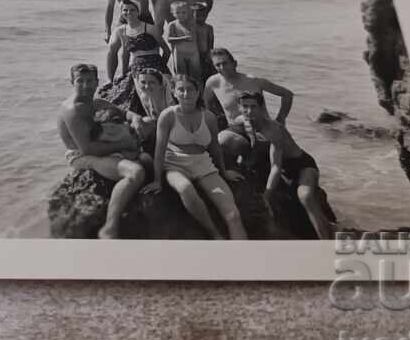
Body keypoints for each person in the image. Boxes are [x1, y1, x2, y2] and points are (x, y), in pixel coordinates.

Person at [141, 74, 248, 240]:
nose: (186, 94)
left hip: (203, 165)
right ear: (174, 92)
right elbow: (159, 150)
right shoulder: (168, 116)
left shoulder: (209, 117)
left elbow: (214, 148)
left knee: (233, 215)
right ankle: (214, 233)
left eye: (190, 89)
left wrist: (224, 171)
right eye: (181, 90)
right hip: (175, 164)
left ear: (198, 92)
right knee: (185, 188)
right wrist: (157, 180)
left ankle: (244, 256)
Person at [57, 63, 148, 239]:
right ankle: (110, 227)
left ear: (97, 82)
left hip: (100, 148)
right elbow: (88, 148)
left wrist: (136, 118)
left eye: (90, 81)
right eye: (80, 81)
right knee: (135, 172)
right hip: (83, 156)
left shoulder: (95, 102)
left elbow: (124, 113)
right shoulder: (72, 110)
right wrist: (125, 144)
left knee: (146, 158)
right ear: (71, 82)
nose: (85, 85)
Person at [238, 91, 333, 240]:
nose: (249, 111)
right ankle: (329, 229)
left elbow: (276, 166)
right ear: (239, 107)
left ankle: (325, 244)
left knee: (305, 196)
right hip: (284, 169)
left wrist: (267, 196)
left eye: (253, 107)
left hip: (302, 165)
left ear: (262, 108)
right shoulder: (242, 121)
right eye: (245, 106)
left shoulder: (273, 129)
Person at [202, 48, 295, 178]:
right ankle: (247, 157)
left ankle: (257, 160)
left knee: (287, 160)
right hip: (237, 130)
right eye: (218, 65)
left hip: (262, 130)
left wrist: (280, 119)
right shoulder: (213, 82)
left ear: (234, 63)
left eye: (225, 63)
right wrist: (218, 122)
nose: (222, 67)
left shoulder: (253, 81)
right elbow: (207, 105)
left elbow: (287, 94)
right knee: (222, 140)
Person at [99, 0, 171, 108]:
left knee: (164, 96)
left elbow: (167, 50)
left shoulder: (150, 28)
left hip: (156, 64)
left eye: (132, 10)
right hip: (136, 67)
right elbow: (125, 55)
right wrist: (123, 73)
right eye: (125, 10)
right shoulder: (121, 31)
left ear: (138, 12)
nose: (129, 13)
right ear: (121, 13)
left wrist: (161, 66)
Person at [124, 67, 173, 154]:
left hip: (173, 129)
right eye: (143, 82)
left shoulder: (170, 99)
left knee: (147, 121)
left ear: (161, 84)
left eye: (152, 82)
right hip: (160, 128)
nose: (146, 86)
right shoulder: (145, 96)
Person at [164, 0, 202, 81]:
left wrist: (195, 8)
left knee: (196, 77)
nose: (181, 15)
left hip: (193, 54)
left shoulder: (193, 23)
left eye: (183, 12)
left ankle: (197, 92)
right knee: (181, 77)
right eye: (178, 12)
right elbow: (169, 39)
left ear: (188, 12)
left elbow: (202, 6)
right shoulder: (172, 25)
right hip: (179, 54)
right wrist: (183, 38)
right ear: (173, 13)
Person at [192, 2, 216, 80]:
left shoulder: (209, 28)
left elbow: (211, 43)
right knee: (196, 76)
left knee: (208, 74)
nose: (201, 18)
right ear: (192, 15)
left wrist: (209, 55)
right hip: (193, 55)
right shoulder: (191, 27)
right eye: (198, 15)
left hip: (205, 55)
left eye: (204, 15)